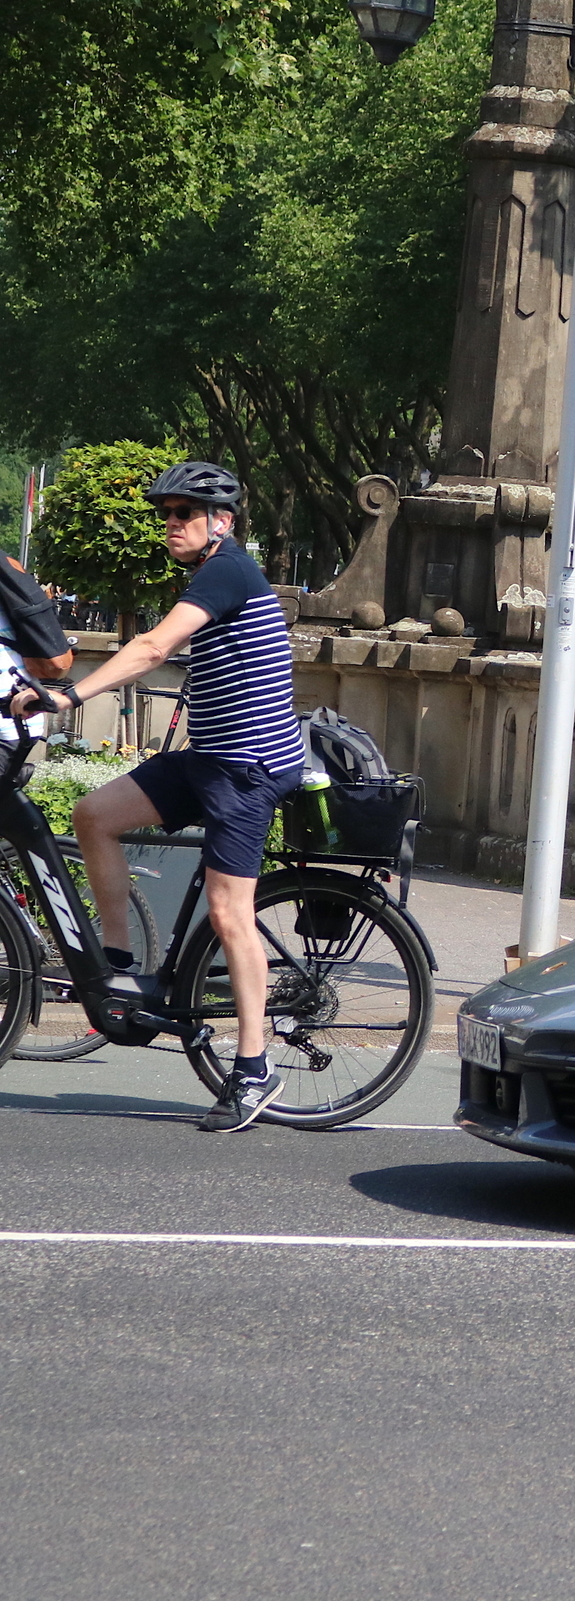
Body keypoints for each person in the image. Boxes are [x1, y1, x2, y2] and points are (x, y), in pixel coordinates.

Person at [13, 462, 301, 1131]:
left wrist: (69, 694)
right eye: (167, 513)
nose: (170, 523)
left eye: (183, 513)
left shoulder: (228, 570)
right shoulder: (209, 573)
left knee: (231, 910)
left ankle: (254, 1069)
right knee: (94, 815)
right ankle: (117, 969)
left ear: (219, 522)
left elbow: (150, 647)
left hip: (248, 768)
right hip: (209, 759)